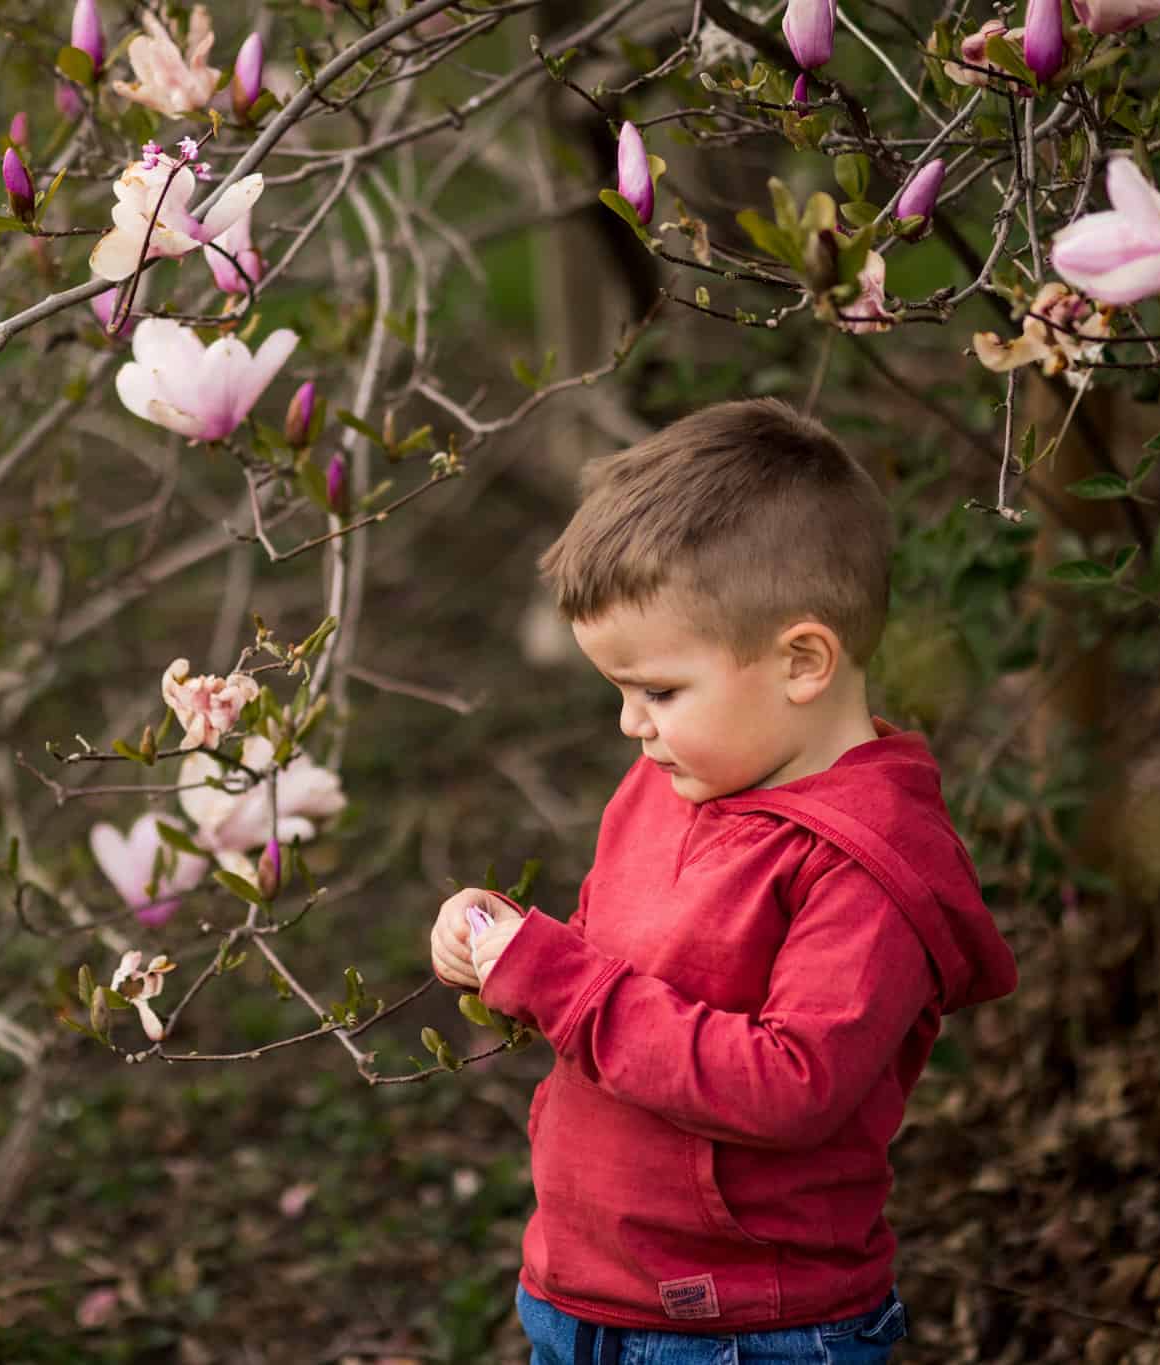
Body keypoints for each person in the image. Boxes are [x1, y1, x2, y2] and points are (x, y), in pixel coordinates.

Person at [429, 399, 1017, 1365]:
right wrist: (497, 941)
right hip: (584, 1286)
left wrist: (557, 978)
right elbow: (602, 960)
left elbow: (793, 1085)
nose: (631, 724)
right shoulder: (676, 782)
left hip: (746, 1328)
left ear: (801, 661)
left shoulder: (863, 868)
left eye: (657, 690)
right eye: (618, 691)